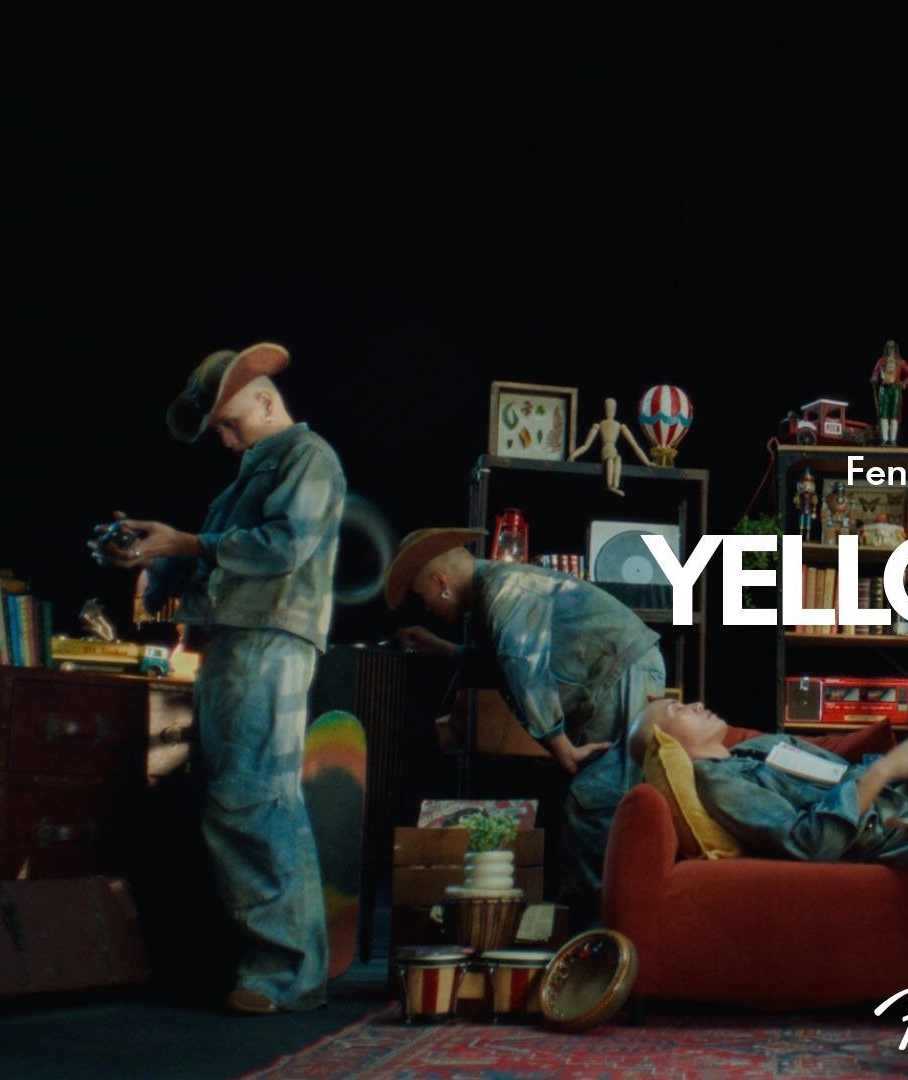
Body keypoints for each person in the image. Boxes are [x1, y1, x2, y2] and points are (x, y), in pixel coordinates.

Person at [94, 342, 344, 1015]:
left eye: (230, 425)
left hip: (268, 642)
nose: (226, 441)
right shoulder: (245, 480)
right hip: (237, 644)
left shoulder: (307, 456)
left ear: (265, 400)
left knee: (249, 800)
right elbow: (203, 562)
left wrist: (180, 543)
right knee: (252, 800)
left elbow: (284, 547)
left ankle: (283, 973)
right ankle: (288, 971)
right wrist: (145, 553)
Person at [636, 666, 908, 1012]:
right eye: (678, 711)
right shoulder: (718, 782)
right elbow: (811, 842)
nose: (696, 704)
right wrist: (887, 769)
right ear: (666, 742)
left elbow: (839, 776)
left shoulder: (757, 748)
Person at [387, 528, 667, 925]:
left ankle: (602, 934)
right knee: (594, 806)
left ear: (441, 582)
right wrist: (440, 647)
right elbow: (500, 665)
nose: (426, 608)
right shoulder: (493, 594)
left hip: (622, 676)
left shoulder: (504, 591)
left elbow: (525, 665)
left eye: (422, 596)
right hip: (610, 681)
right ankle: (593, 930)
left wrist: (558, 744)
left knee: (597, 802)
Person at [570, 396, 651, 496]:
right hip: (606, 449)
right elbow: (586, 445)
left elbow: (635, 445)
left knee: (618, 459)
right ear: (605, 409)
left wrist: (647, 462)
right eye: (608, 408)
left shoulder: (619, 425)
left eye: (612, 408)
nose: (610, 410)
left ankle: (615, 486)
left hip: (613, 449)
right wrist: (573, 455)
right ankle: (610, 486)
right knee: (609, 461)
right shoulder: (600, 425)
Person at [869, 339, 908, 446]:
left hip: (895, 389)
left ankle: (893, 439)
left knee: (894, 414)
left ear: (895, 349)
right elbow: (875, 373)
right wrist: (874, 379)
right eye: (889, 348)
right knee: (884, 414)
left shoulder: (901, 362)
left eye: (892, 348)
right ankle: (884, 439)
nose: (891, 350)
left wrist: (903, 383)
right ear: (886, 349)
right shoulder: (881, 361)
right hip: (884, 389)